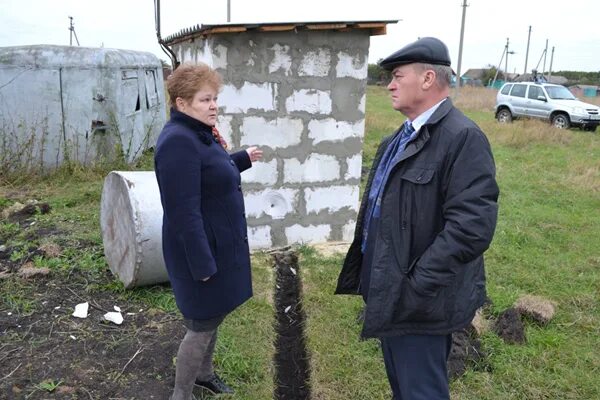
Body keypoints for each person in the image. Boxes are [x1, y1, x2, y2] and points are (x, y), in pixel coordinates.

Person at [335, 37, 499, 399]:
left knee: (421, 391)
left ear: (427, 79)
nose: (390, 84)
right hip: (394, 293)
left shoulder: (462, 138)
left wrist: (415, 286)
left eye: (397, 75)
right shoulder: (402, 136)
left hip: (419, 302)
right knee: (403, 388)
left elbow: (471, 228)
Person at [154, 63, 263, 400]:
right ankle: (181, 394)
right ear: (181, 103)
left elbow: (209, 170)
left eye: (215, 98)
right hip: (201, 253)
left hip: (218, 245)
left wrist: (240, 158)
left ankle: (204, 375)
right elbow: (183, 212)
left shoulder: (199, 133)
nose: (214, 105)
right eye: (205, 100)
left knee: (213, 316)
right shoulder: (178, 141)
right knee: (200, 327)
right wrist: (201, 266)